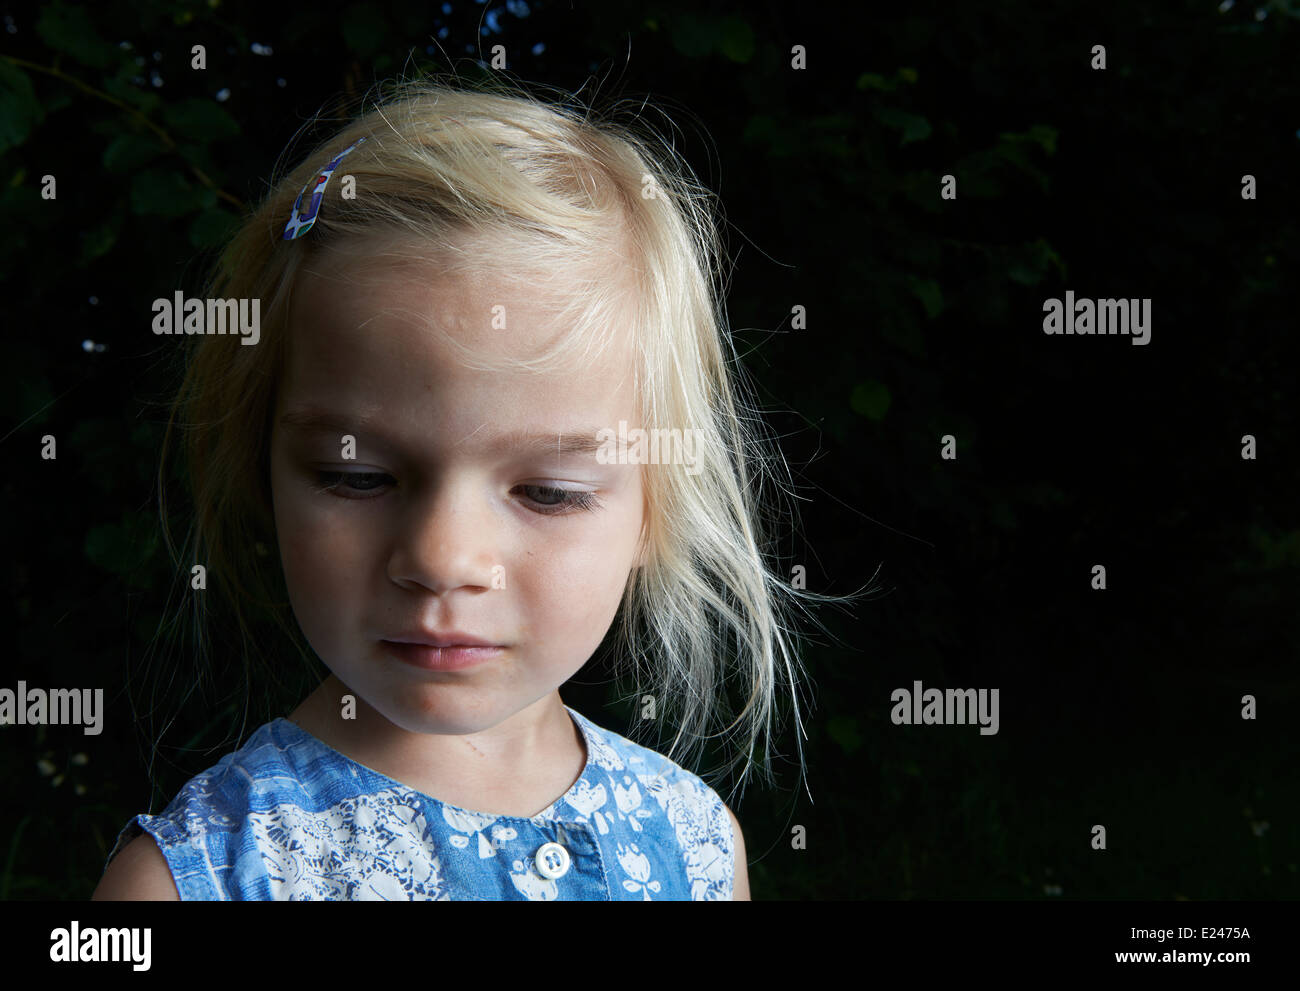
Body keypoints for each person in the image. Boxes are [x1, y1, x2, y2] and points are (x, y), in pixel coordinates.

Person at [93, 74, 856, 901]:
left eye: (551, 491)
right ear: (263, 473)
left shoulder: (694, 837)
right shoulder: (194, 880)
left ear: (655, 508)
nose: (443, 558)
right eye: (358, 475)